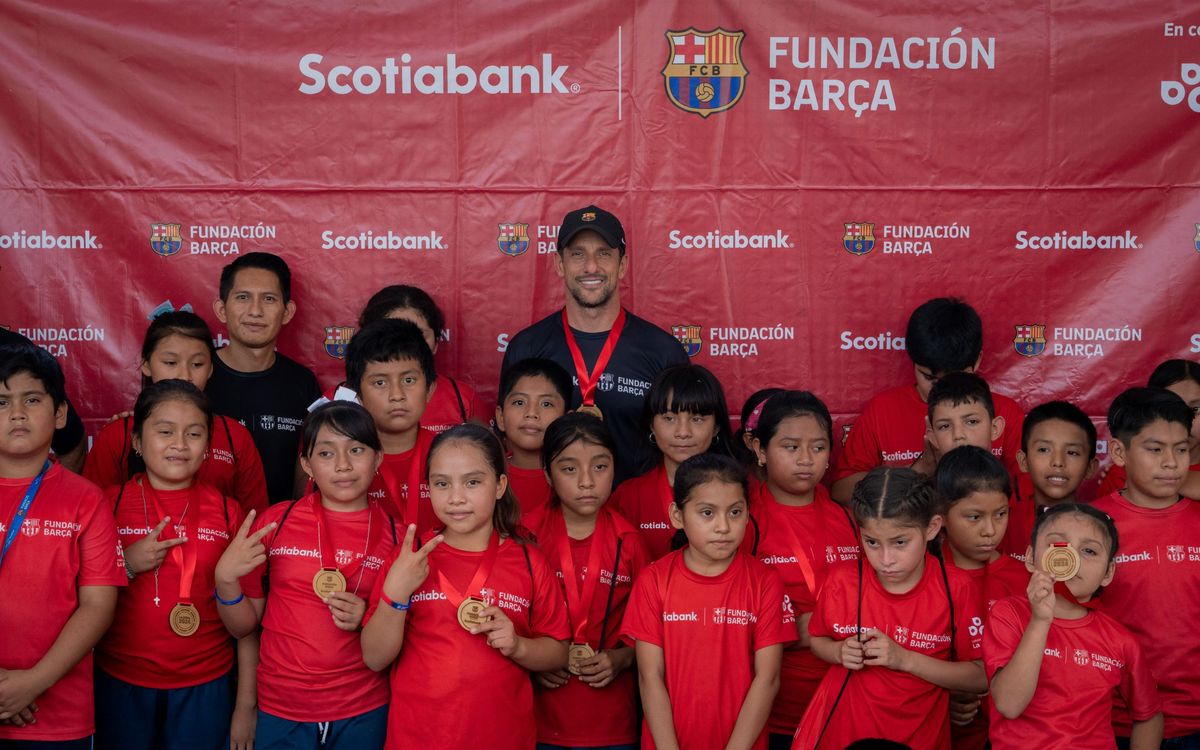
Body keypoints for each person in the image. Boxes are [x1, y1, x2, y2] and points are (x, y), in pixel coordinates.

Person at [360, 423, 569, 750]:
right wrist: (396, 593)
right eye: (442, 483)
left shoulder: (529, 561)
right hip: (419, 740)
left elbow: (558, 652)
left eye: (472, 482)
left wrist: (518, 646)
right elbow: (374, 657)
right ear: (428, 486)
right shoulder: (409, 559)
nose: (456, 497)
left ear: (500, 485)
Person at [214, 401, 397, 749]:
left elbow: (408, 633)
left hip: (364, 707)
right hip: (281, 707)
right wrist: (225, 580)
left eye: (356, 450)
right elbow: (244, 627)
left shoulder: (398, 536)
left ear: (378, 458)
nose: (343, 465)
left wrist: (369, 618)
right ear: (306, 465)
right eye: (326, 453)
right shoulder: (274, 523)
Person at [94, 380, 244, 750]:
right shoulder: (107, 505)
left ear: (207, 446)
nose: (179, 444)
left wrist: (247, 704)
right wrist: (126, 563)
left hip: (206, 681)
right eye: (164, 432)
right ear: (137, 442)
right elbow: (76, 593)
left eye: (194, 433)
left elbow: (249, 623)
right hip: (121, 679)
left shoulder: (228, 511)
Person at [793, 467, 987, 750]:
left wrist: (904, 659)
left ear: (932, 528)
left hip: (920, 738)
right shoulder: (843, 581)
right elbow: (818, 640)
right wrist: (837, 651)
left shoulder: (956, 588)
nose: (885, 559)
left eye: (899, 543)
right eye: (871, 542)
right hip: (845, 736)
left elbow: (981, 676)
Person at [502, 205, 688, 486]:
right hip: (548, 518)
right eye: (578, 254)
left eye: (604, 253)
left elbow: (686, 443)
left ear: (622, 265)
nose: (591, 266)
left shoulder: (663, 352)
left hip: (640, 519)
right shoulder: (526, 348)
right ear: (559, 264)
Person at [623, 453, 793, 750]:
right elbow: (650, 677)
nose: (723, 527)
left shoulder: (765, 581)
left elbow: (768, 679)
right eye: (707, 513)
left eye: (735, 512)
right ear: (678, 516)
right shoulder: (654, 580)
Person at [0, 343, 124, 746]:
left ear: (60, 413)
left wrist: (33, 682)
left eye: (31, 399)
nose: (17, 413)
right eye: (1, 402)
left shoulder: (87, 500)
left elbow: (98, 605)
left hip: (59, 716)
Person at [984, 504, 1163, 749]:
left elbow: (1149, 716)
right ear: (1029, 557)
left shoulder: (1120, 641)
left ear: (1108, 573)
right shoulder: (1009, 614)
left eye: (1089, 551)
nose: (1072, 558)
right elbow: (1009, 704)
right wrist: (1040, 621)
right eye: (1058, 546)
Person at [528, 413, 649, 750]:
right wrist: (533, 659)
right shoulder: (525, 536)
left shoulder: (630, 541)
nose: (586, 481)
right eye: (569, 469)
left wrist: (622, 658)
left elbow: (652, 629)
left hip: (612, 723)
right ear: (547, 476)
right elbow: (508, 619)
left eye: (600, 466)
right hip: (537, 720)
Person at [748, 391, 860, 750]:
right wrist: (814, 628)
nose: (806, 459)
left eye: (818, 447)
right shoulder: (745, 520)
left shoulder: (846, 516)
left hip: (847, 699)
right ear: (761, 451)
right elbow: (732, 622)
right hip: (778, 707)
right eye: (790, 447)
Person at [831, 298, 1025, 502]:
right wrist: (918, 471)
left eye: (972, 421)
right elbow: (841, 491)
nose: (941, 388)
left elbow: (1030, 490)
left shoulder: (1005, 411)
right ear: (913, 363)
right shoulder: (883, 410)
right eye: (930, 378)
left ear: (977, 361)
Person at [1093, 387, 1200, 746]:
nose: (1171, 462)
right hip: (1116, 720)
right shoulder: (1089, 526)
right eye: (1155, 450)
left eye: (1181, 449)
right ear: (1119, 452)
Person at [84, 311, 269, 514]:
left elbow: (255, 522)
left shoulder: (236, 437)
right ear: (146, 364)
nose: (184, 375)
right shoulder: (118, 435)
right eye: (171, 363)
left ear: (210, 369)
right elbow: (92, 516)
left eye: (197, 364)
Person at [934, 446, 1030, 750]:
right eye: (974, 517)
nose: (990, 530)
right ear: (941, 517)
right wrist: (941, 700)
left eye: (1000, 514)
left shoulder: (1024, 580)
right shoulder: (922, 577)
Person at [206, 252, 321, 503]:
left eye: (268, 299)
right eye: (243, 297)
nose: (255, 311)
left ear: (287, 311)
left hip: (282, 534)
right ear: (222, 309)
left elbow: (311, 464)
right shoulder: (197, 375)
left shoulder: (302, 382)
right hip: (206, 534)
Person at [312, 285, 488, 433]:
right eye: (391, 332)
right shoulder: (335, 400)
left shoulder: (462, 397)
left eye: (418, 335)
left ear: (436, 342)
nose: (402, 344)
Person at [612, 364, 734, 560]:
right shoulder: (628, 497)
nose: (683, 432)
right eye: (669, 418)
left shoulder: (739, 492)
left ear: (717, 427)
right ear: (652, 424)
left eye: (697, 419)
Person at [344, 319, 439, 532]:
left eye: (408, 380)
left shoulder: (453, 455)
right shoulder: (343, 460)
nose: (397, 395)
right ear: (358, 395)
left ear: (430, 389)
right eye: (380, 383)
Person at [1003, 401, 1098, 559]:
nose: (1058, 462)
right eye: (1044, 449)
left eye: (1072, 452)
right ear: (1023, 461)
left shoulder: (1100, 526)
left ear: (1090, 467)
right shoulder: (1003, 521)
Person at [1097, 358, 1200, 499]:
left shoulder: (1131, 471)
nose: (1187, 418)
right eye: (1171, 409)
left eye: (1195, 408)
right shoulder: (1122, 472)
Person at [0, 329, 86, 473]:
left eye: (31, 400)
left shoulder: (8, 346)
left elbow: (71, 441)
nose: (17, 413)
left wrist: (55, 492)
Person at [494, 358, 570, 515]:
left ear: (566, 419)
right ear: (500, 417)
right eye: (519, 402)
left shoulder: (577, 478)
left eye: (546, 404)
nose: (531, 413)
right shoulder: (486, 474)